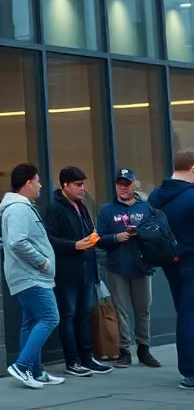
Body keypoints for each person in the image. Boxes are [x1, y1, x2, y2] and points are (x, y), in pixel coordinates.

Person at [44, 166, 112, 376]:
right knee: (69, 315)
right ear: (65, 185)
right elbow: (50, 240)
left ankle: (86, 357)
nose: (83, 189)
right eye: (78, 185)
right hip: (67, 272)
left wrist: (92, 241)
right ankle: (72, 360)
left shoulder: (81, 207)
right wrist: (75, 245)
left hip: (86, 269)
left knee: (84, 315)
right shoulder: (55, 209)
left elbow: (90, 233)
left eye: (83, 184)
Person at [0, 163, 60, 388]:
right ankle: (22, 366)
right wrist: (42, 262)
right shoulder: (19, 209)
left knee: (31, 322)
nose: (40, 185)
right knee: (50, 317)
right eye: (37, 180)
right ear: (27, 183)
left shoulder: (20, 207)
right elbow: (17, 242)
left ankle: (36, 372)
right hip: (31, 276)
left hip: (29, 275)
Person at [97, 168, 160, 368]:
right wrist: (116, 238)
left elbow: (157, 233)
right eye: (120, 184)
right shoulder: (107, 211)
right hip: (117, 267)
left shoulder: (146, 208)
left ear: (134, 185)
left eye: (128, 184)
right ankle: (125, 349)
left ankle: (144, 348)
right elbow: (99, 239)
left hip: (142, 266)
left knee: (143, 309)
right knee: (120, 310)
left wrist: (140, 233)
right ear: (116, 186)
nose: (124, 188)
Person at [150, 149, 194, 389]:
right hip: (190, 261)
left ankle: (188, 369)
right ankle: (191, 372)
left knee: (185, 315)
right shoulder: (191, 197)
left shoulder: (156, 196)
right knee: (190, 317)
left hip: (169, 263)